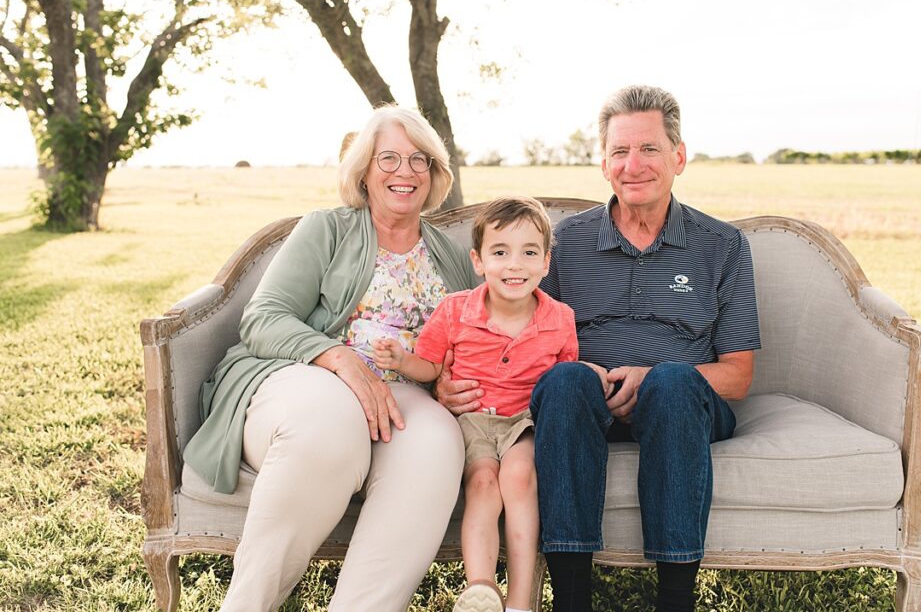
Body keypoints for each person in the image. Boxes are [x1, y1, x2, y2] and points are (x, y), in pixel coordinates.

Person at [436, 85, 761, 612]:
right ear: (603, 164)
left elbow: (739, 375)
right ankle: (570, 600)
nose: (633, 165)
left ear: (679, 156)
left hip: (683, 406)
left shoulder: (721, 246)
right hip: (587, 401)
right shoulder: (567, 243)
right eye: (619, 151)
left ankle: (676, 601)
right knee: (564, 382)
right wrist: (450, 378)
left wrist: (650, 373)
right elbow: (518, 327)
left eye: (649, 149)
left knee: (673, 381)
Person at [181, 105, 477, 612]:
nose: (404, 172)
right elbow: (264, 317)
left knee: (437, 444)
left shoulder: (449, 254)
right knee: (328, 425)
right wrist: (336, 356)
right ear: (362, 170)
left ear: (434, 173)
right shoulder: (326, 229)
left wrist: (452, 380)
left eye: (418, 160)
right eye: (388, 158)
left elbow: (473, 337)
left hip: (403, 394)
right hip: (303, 376)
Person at [373, 197, 578, 612]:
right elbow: (431, 366)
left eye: (529, 253)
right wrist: (401, 360)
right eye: (500, 253)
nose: (514, 265)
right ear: (478, 261)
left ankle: (521, 600)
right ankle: (481, 587)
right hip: (472, 422)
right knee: (483, 482)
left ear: (546, 263)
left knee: (519, 478)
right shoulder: (455, 311)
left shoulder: (559, 318)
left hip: (525, 421)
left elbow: (563, 385)